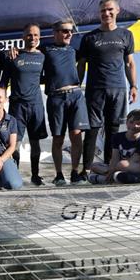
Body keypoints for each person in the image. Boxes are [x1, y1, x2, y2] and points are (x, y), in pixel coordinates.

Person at [77, 0, 138, 177]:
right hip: (95, 89)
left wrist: (134, 86)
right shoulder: (89, 37)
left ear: (117, 11)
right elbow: (81, 65)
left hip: (118, 88)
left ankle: (108, 168)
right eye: (103, 10)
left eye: (110, 9)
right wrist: (77, 87)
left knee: (113, 129)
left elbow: (130, 64)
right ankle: (86, 170)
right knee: (92, 129)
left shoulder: (126, 35)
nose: (106, 13)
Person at [43, 19, 90, 186]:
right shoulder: (45, 50)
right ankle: (59, 174)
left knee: (77, 136)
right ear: (55, 33)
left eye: (70, 31)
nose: (69, 34)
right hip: (56, 97)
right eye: (64, 31)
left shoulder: (74, 50)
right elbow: (29, 54)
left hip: (76, 95)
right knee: (58, 138)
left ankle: (75, 172)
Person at [4, 24, 48, 185]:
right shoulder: (14, 56)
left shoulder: (44, 57)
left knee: (36, 142)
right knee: (14, 144)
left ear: (39, 37)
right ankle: (14, 174)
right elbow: (3, 82)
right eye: (29, 35)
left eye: (36, 35)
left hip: (35, 105)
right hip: (17, 107)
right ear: (23, 37)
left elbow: (48, 77)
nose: (33, 38)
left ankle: (35, 175)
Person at [88, 108, 140, 184]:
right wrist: (111, 170)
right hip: (118, 167)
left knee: (122, 166)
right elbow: (114, 158)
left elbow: (132, 161)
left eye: (138, 123)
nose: (134, 126)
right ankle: (112, 178)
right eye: (131, 122)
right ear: (126, 122)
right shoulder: (117, 137)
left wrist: (113, 170)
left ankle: (104, 178)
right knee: (94, 165)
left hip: (133, 167)